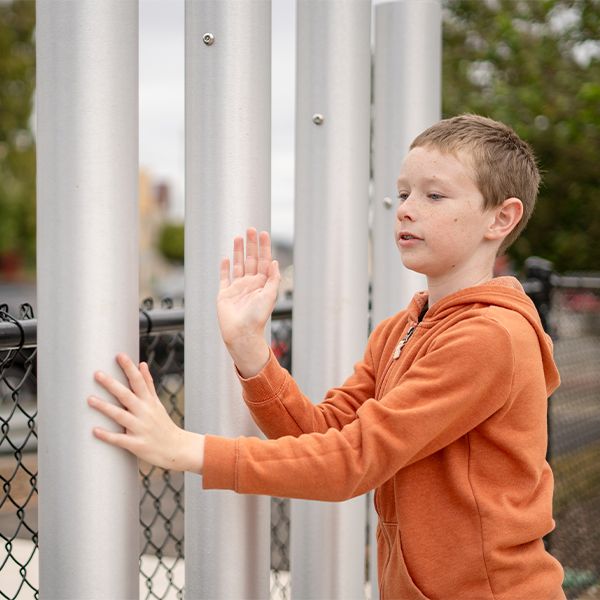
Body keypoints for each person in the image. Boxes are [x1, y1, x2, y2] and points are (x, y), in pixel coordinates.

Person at [88, 114, 565, 599]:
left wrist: (184, 449)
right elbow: (322, 435)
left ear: (501, 217)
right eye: (402, 194)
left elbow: (352, 462)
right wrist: (252, 350)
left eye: (433, 195)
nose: (405, 209)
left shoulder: (491, 336)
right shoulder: (401, 328)